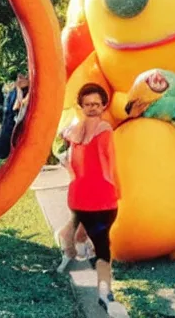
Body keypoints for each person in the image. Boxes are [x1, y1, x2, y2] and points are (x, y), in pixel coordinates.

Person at [57, 83, 128, 317]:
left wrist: (115, 186)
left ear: (103, 105)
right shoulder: (75, 130)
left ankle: (101, 289)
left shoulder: (96, 129)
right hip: (86, 196)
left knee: (94, 240)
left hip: (96, 197)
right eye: (88, 105)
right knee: (89, 240)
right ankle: (101, 289)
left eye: (96, 104)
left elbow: (109, 163)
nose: (92, 108)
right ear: (81, 105)